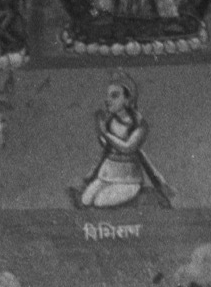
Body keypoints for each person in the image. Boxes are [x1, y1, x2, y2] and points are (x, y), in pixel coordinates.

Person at [74, 75, 173, 210]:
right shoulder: (110, 121)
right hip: (107, 174)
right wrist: (100, 130)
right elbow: (107, 146)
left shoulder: (138, 124)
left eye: (114, 96)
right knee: (86, 200)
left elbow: (128, 147)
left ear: (127, 100)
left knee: (99, 202)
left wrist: (105, 133)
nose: (108, 100)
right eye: (108, 96)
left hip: (128, 179)